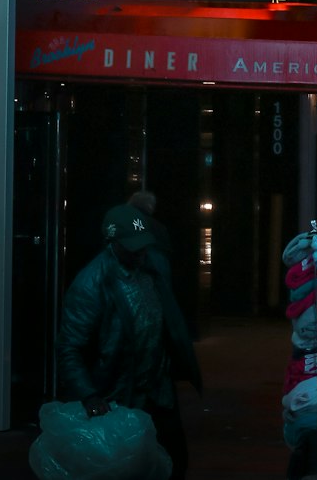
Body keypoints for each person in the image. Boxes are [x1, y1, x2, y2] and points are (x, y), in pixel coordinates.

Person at [56, 202, 201, 480]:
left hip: (158, 389)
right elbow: (69, 346)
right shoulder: (91, 284)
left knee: (174, 462)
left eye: (143, 244)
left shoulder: (152, 266)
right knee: (126, 468)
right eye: (132, 246)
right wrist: (89, 394)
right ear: (113, 243)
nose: (140, 252)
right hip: (121, 393)